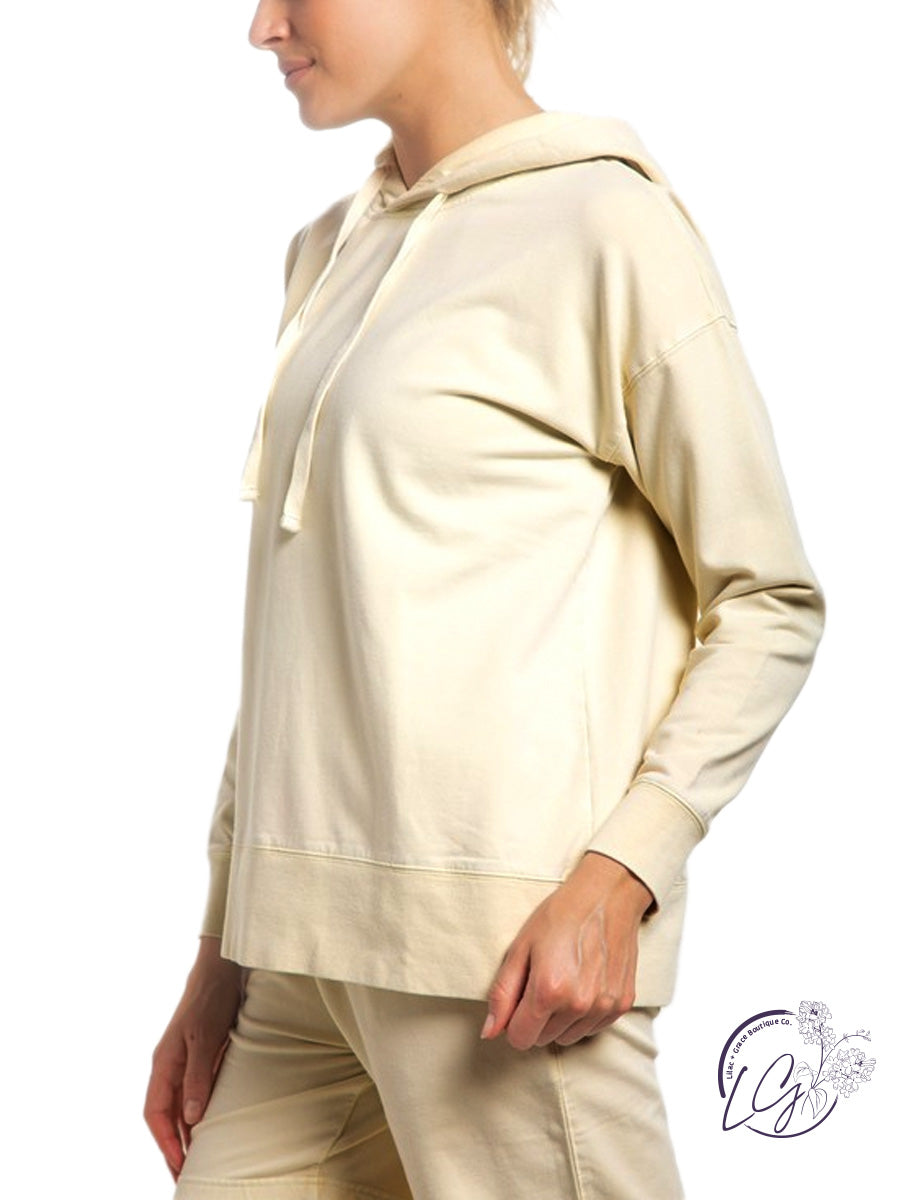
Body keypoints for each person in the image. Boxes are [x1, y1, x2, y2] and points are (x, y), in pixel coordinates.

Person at [144, 1, 825, 1197]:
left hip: (506, 968)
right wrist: (222, 950)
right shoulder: (328, 251)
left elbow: (768, 598)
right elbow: (300, 638)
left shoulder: (605, 227)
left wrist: (619, 878)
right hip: (296, 965)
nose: (262, 25)